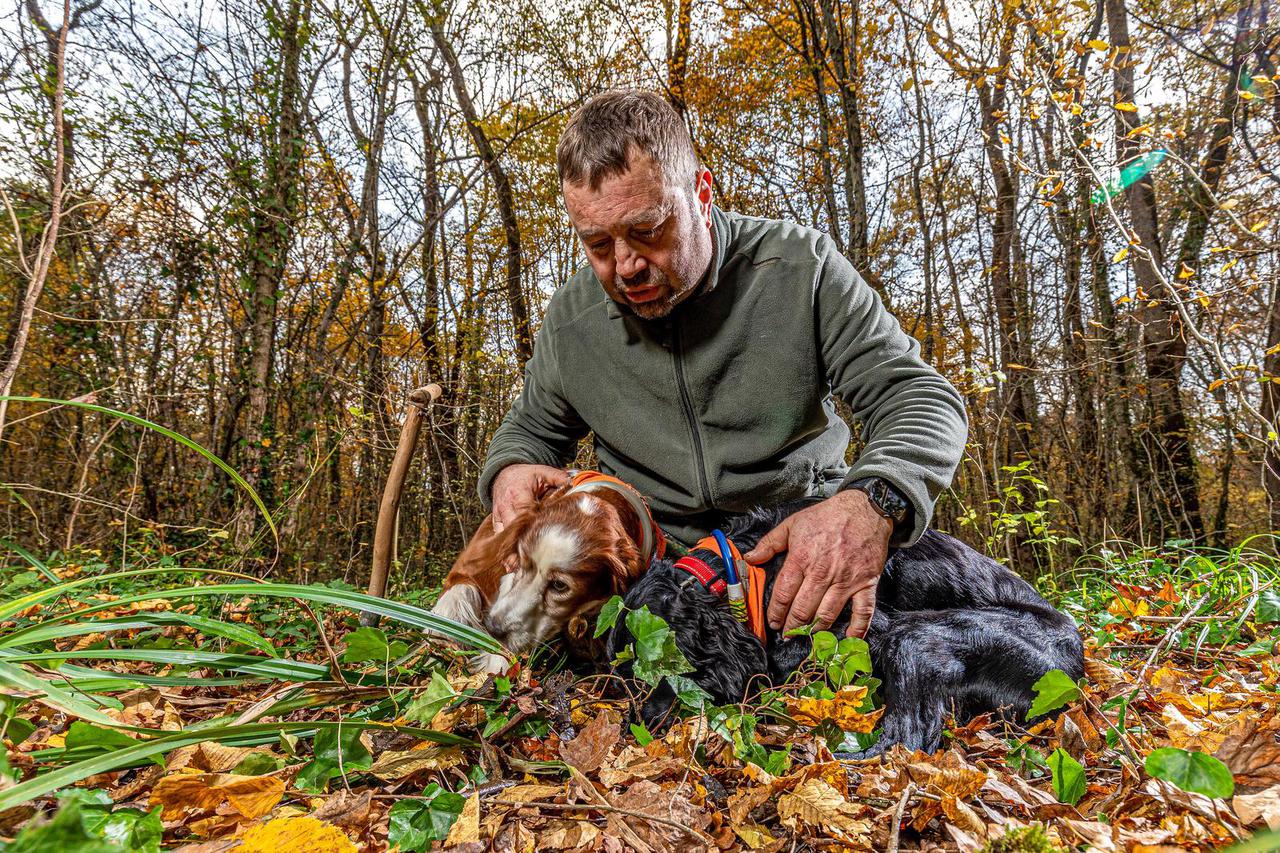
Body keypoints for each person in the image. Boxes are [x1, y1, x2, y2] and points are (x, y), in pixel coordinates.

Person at [476, 89, 967, 639]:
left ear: (702, 193)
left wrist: (873, 501)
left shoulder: (800, 268)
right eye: (597, 244)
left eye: (647, 230)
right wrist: (510, 467)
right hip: (651, 560)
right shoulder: (572, 318)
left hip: (785, 538)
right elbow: (531, 430)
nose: (626, 265)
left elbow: (917, 397)